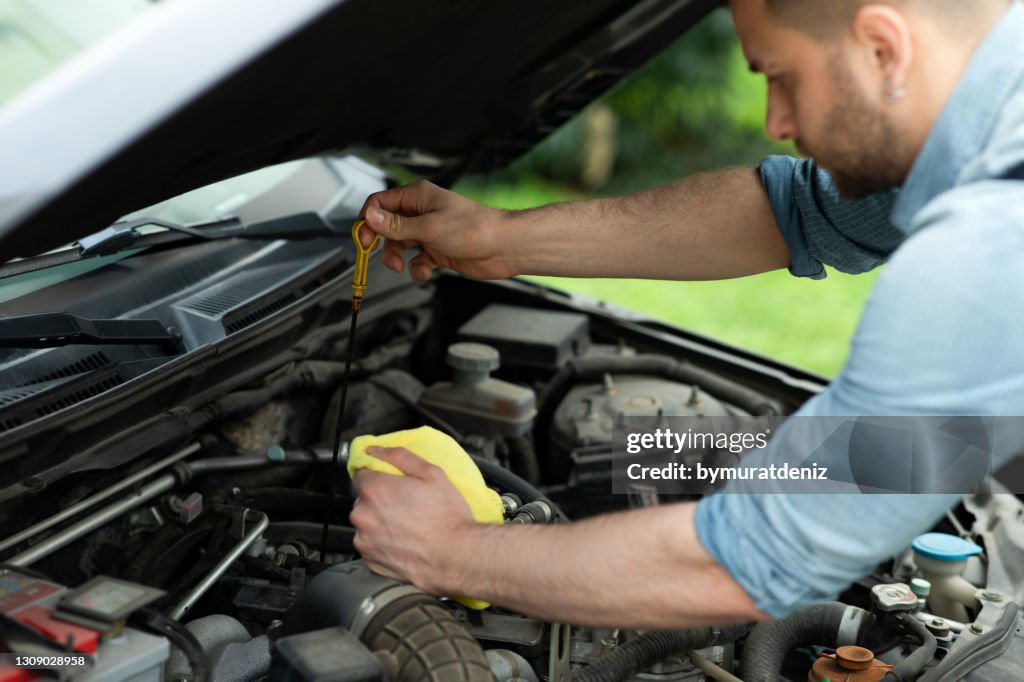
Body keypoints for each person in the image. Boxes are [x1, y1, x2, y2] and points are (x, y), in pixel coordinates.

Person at [348, 0, 1024, 629]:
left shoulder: (991, 243)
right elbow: (796, 213)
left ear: (884, 47)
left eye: (781, 77)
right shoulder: (990, 114)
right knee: (644, 452)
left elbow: (754, 556)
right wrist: (502, 239)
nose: (776, 123)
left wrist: (448, 549)